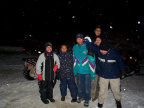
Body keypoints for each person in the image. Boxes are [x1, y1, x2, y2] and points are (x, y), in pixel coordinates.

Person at [90, 40, 125, 108]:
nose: (102, 51)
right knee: (102, 90)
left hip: (114, 75)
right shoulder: (98, 51)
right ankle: (100, 102)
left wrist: (123, 70)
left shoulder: (115, 53)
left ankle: (118, 101)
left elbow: (120, 62)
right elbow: (89, 45)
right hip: (103, 75)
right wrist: (91, 48)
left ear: (108, 49)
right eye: (101, 50)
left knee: (116, 90)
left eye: (104, 50)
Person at [73, 33, 96, 107]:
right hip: (79, 71)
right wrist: (74, 71)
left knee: (87, 87)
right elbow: (74, 60)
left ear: (83, 39)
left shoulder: (88, 46)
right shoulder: (75, 47)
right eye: (77, 39)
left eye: (80, 39)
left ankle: (87, 99)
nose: (79, 40)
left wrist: (92, 73)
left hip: (87, 71)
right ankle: (81, 96)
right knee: (80, 86)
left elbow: (92, 60)